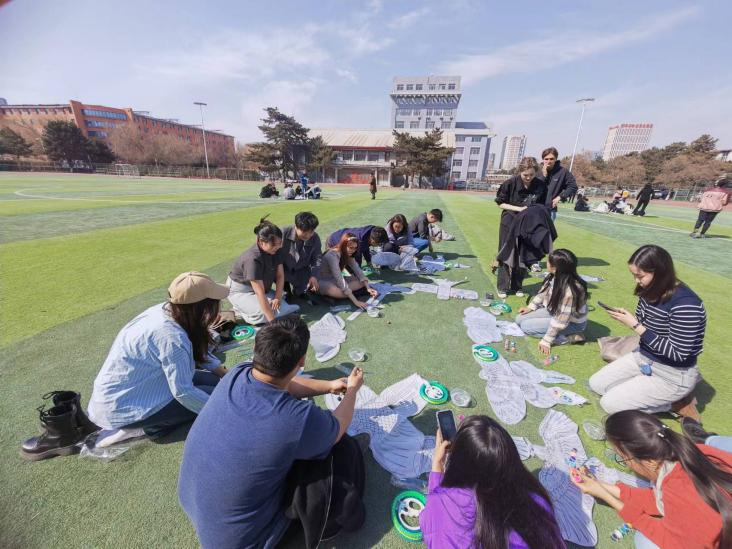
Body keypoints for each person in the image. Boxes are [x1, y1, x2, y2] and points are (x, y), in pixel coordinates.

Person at [179, 316, 366, 549]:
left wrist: (328, 386)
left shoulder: (238, 373)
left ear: (257, 351)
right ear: (301, 361)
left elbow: (286, 384)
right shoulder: (296, 418)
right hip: (246, 542)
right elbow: (338, 427)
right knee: (343, 449)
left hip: (199, 511)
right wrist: (352, 391)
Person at [85, 272, 230, 448]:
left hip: (137, 388)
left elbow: (196, 351)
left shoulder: (169, 311)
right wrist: (221, 412)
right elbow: (183, 392)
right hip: (123, 407)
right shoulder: (172, 337)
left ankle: (149, 420)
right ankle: (151, 426)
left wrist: (223, 373)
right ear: (201, 308)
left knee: (221, 384)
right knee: (219, 398)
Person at [572, 410, 732, 549]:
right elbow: (656, 499)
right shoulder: (692, 452)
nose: (627, 465)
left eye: (624, 459)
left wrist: (606, 496)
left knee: (644, 540)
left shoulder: (680, 496)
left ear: (650, 461)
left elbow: (668, 539)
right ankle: (710, 438)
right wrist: (600, 486)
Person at [589, 245, 706, 415]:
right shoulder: (650, 289)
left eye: (640, 276)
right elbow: (648, 324)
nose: (636, 281)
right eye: (634, 275)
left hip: (672, 373)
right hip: (643, 358)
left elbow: (678, 353)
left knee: (609, 404)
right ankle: (645, 386)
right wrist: (630, 319)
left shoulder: (687, 304)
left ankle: (675, 404)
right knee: (596, 384)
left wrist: (635, 326)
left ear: (660, 272)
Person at [420, 415, 565, 549]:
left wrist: (437, 467)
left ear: (458, 461)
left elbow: (431, 525)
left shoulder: (443, 506)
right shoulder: (536, 500)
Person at [226, 217, 300, 325]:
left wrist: (277, 298)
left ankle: (249, 309)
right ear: (261, 242)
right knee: (266, 313)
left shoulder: (276, 250)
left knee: (282, 307)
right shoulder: (252, 258)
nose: (278, 247)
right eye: (274, 244)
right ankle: (241, 311)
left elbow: (280, 276)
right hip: (241, 291)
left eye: (280, 243)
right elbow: (259, 292)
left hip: (262, 289)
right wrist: (273, 323)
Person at [494, 157, 548, 298]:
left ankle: (517, 286)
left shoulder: (540, 185)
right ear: (520, 172)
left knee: (524, 254)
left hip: (528, 224)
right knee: (506, 253)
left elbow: (542, 205)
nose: (528, 178)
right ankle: (502, 287)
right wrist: (520, 209)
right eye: (525, 175)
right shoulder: (510, 183)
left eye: (531, 175)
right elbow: (500, 203)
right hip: (509, 222)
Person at [516, 249, 588, 352]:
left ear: (555, 268)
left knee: (526, 327)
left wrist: (547, 340)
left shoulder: (569, 292)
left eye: (548, 261)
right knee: (519, 319)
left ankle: (570, 337)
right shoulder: (555, 276)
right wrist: (531, 307)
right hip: (553, 311)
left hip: (571, 323)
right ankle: (562, 333)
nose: (546, 262)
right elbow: (543, 293)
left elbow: (560, 321)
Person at [318, 232, 378, 309]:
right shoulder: (332, 256)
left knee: (362, 282)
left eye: (355, 248)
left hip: (334, 279)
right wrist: (356, 302)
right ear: (343, 245)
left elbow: (357, 270)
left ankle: (342, 294)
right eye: (350, 247)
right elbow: (339, 278)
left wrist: (368, 288)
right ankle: (335, 295)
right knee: (339, 292)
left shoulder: (347, 253)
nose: (353, 250)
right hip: (323, 281)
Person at [279, 212, 322, 299]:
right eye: (304, 232)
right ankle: (285, 288)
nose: (308, 235)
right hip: (282, 270)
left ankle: (299, 290)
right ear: (296, 226)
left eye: (311, 232)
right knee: (286, 297)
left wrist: (314, 276)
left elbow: (317, 258)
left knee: (304, 294)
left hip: (301, 270)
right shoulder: (282, 233)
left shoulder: (315, 238)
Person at [538, 147, 577, 220]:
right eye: (546, 159)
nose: (549, 161)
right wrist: (543, 176)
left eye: (551, 159)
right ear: (543, 159)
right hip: (535, 208)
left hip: (550, 210)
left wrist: (560, 197)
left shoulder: (563, 172)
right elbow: (534, 187)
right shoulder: (537, 170)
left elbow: (573, 186)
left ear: (555, 159)